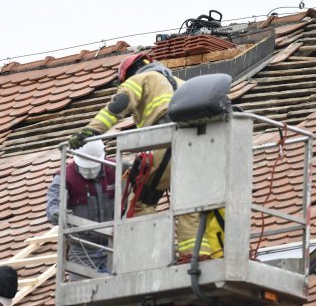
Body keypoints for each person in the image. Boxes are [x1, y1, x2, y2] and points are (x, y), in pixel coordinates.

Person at [67, 52, 215, 258]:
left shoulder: (140, 79)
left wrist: (91, 131)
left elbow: (118, 104)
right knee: (189, 205)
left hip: (165, 142)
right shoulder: (183, 83)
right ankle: (196, 257)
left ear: (127, 74)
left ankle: (144, 258)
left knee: (139, 201)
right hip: (196, 147)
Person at [46, 140, 115, 306]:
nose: (90, 173)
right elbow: (52, 204)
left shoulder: (115, 168)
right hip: (82, 245)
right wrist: (57, 213)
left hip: (114, 243)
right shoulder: (64, 177)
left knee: (115, 294)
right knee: (77, 295)